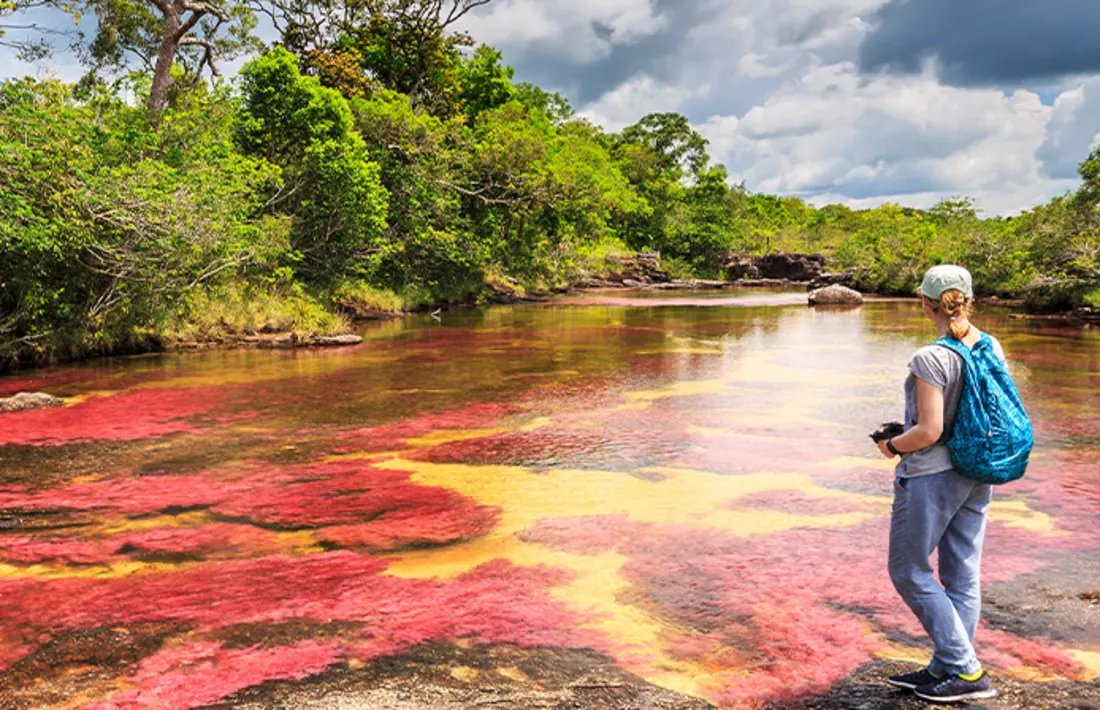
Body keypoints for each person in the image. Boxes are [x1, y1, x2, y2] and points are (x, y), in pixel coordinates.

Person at [876, 265, 1001, 703]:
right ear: (967, 299)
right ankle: (946, 666)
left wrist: (892, 444)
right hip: (977, 469)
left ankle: (967, 671)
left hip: (932, 473)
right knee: (961, 573)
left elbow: (927, 432)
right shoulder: (990, 345)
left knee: (908, 569)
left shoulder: (930, 357)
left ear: (924, 301)